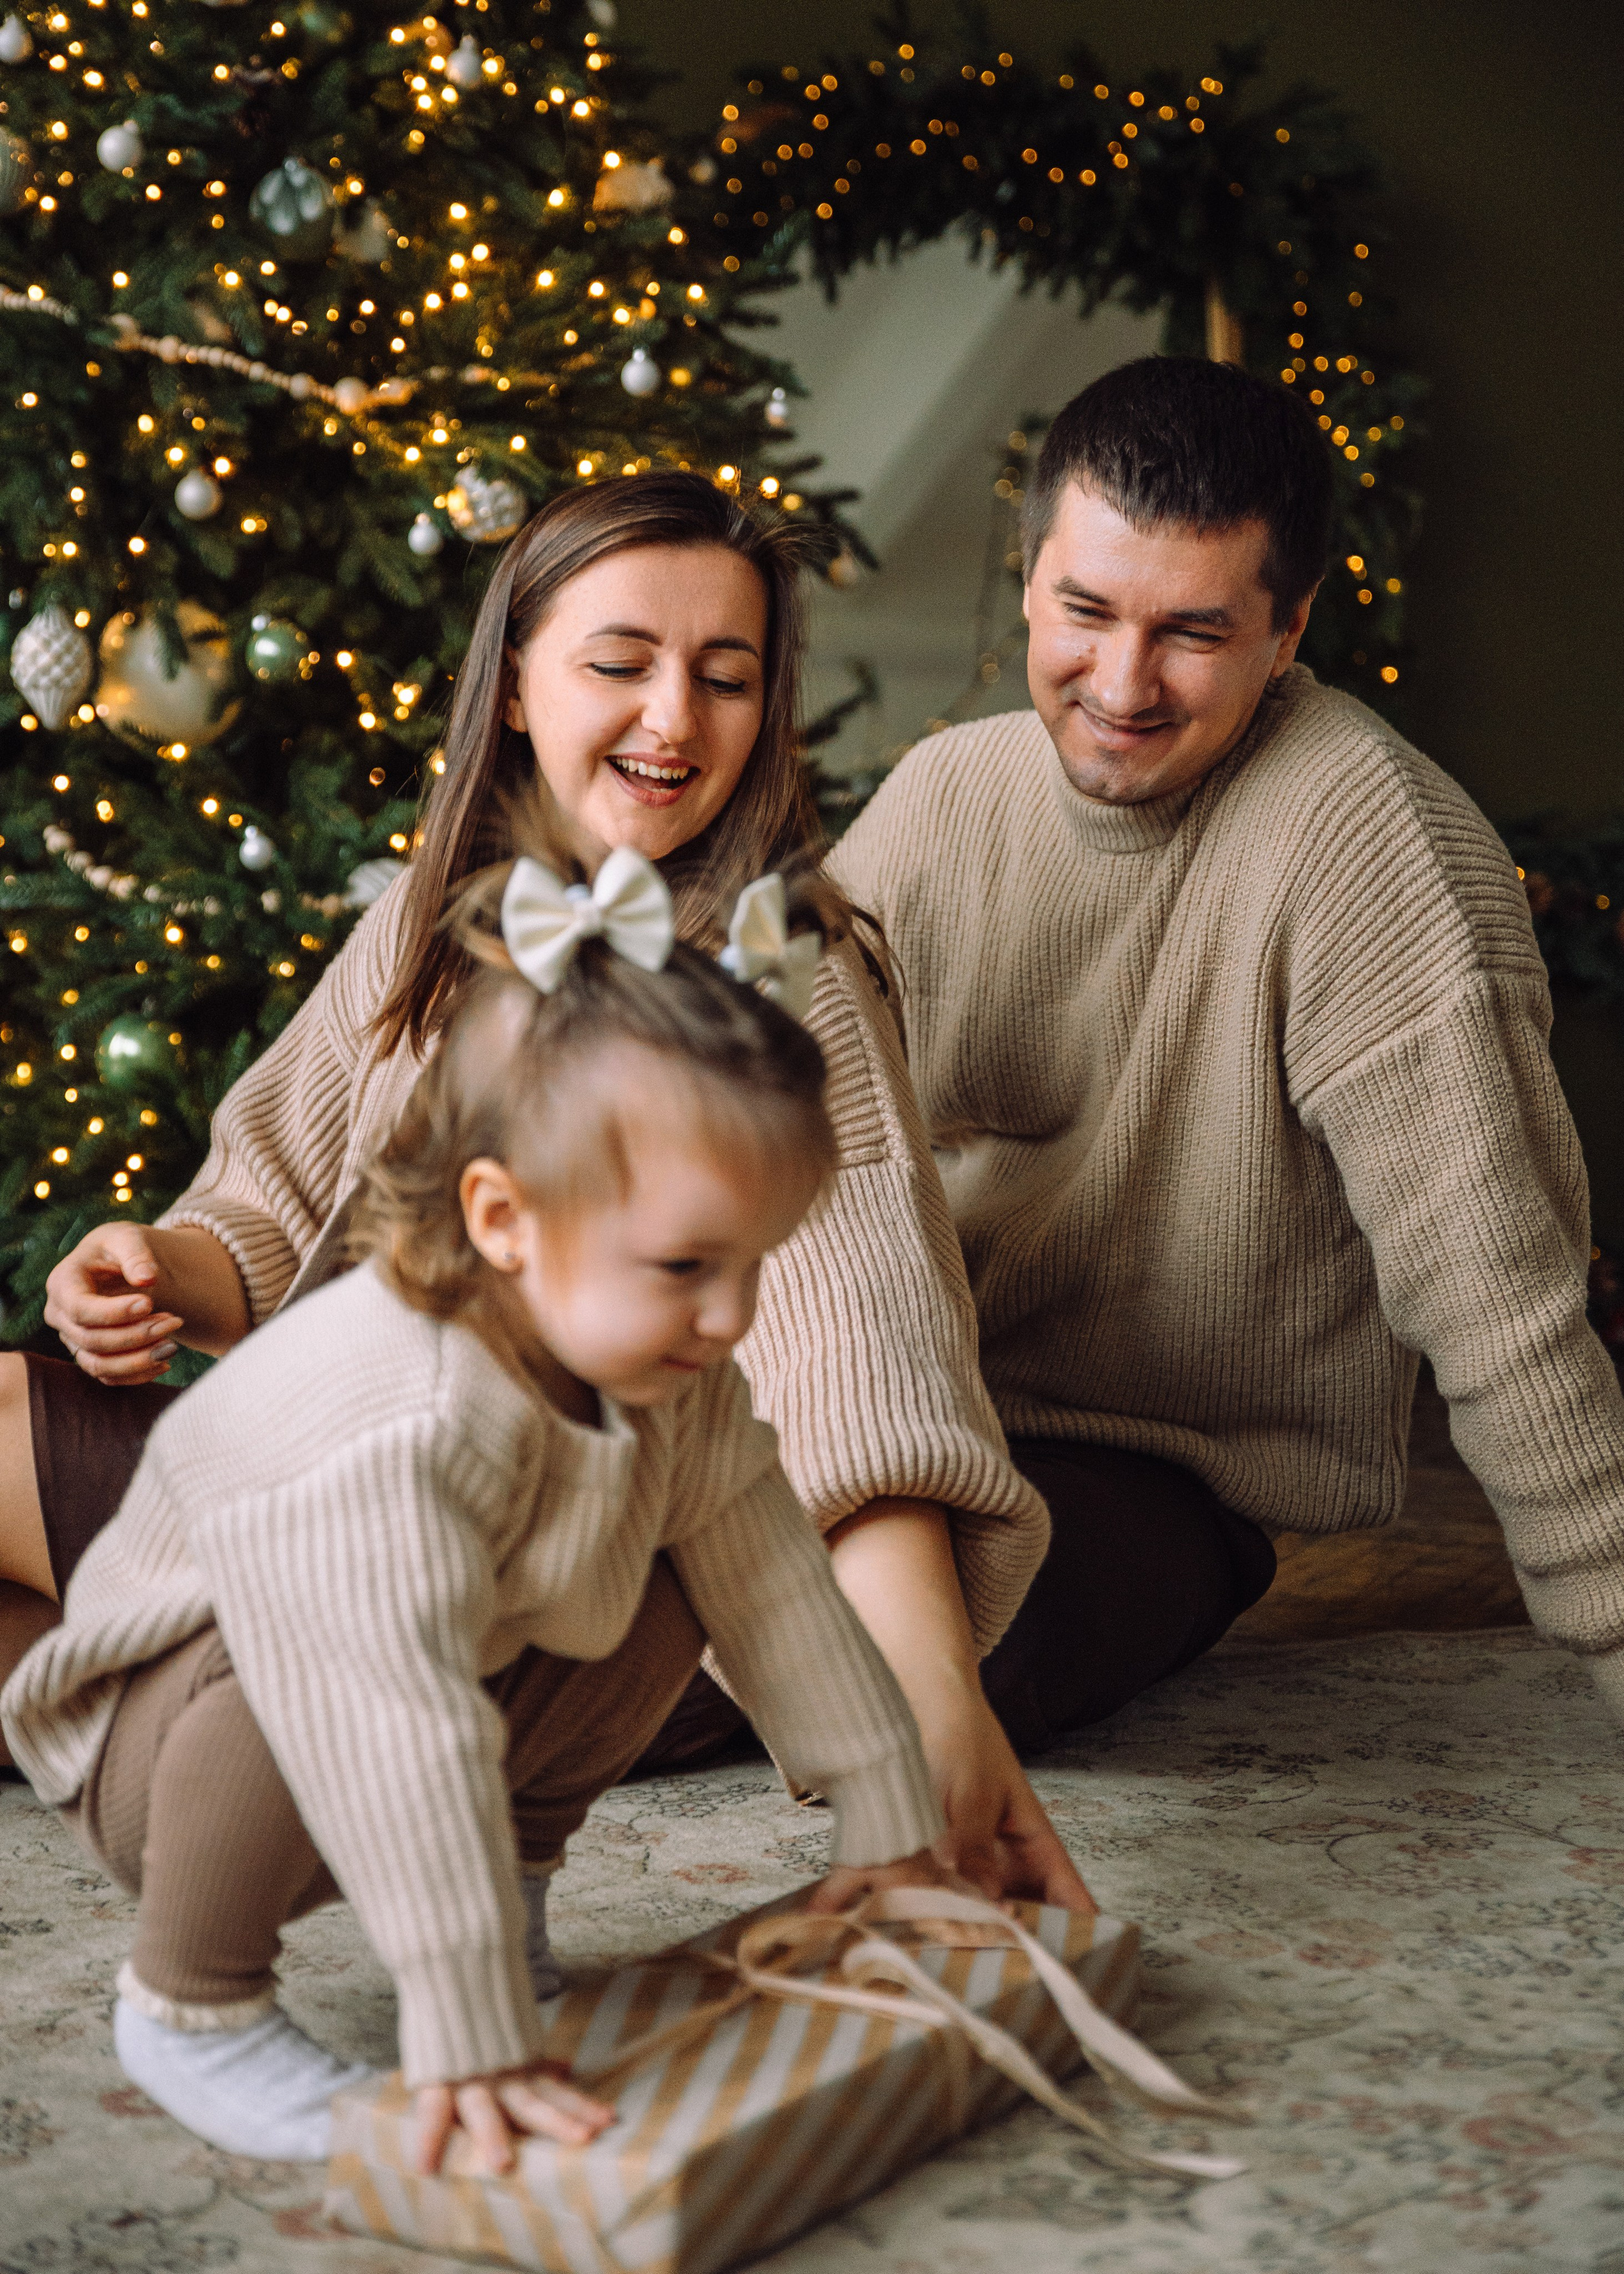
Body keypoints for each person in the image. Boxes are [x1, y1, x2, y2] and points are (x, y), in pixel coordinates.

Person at [0, 471, 1089, 1907]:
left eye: (725, 677)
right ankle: (245, 1776)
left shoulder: (773, 975)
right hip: (371, 1470)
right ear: (514, 683)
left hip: (578, 1567)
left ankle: (279, 1811)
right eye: (619, 664)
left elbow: (855, 1348)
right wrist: (152, 1264)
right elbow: (266, 1213)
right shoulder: (438, 918)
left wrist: (936, 1718)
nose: (672, 720)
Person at [1, 831, 955, 2170]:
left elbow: (780, 1589)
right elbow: (401, 1733)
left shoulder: (668, 1374)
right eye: (685, 1262)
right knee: (306, 1656)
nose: (730, 1311)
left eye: (753, 1261)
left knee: (689, 1570)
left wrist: (891, 1826)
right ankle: (191, 2002)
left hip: (427, 1695)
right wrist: (470, 2032)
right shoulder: (398, 1418)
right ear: (503, 1220)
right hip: (171, 1771)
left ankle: (510, 1882)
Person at [832, 353, 1624, 1747]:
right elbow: (760, 1133)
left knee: (929, 1652)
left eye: (1191, 632)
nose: (1121, 683)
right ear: (1029, 583)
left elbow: (1501, 1303)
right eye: (1083, 612)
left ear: (1287, 625)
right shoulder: (941, 800)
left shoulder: (1370, 847)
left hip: (1161, 1470)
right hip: (906, 1403)